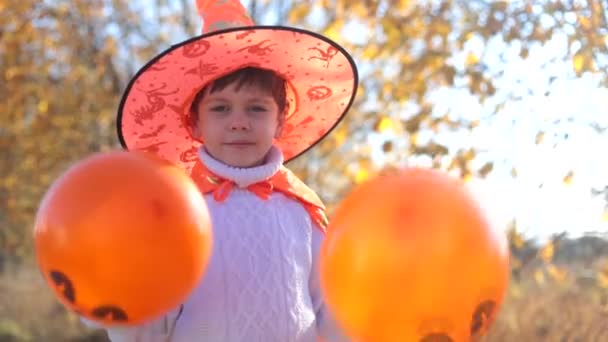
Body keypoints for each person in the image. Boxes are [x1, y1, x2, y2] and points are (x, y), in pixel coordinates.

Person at [83, 0, 358, 341]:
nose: (239, 123)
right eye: (221, 108)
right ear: (195, 123)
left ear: (280, 122)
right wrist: (119, 298)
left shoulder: (303, 210)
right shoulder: (176, 215)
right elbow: (149, 327)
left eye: (256, 108)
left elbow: (333, 309)